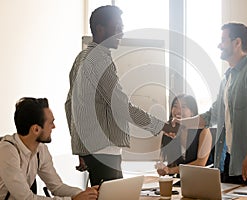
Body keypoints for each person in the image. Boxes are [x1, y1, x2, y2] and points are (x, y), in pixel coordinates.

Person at [65, 5, 177, 186]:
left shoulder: (81, 58)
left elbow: (70, 105)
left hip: (92, 150)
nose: (122, 33)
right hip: (105, 149)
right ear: (101, 29)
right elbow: (122, 106)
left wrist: (80, 149)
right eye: (117, 27)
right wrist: (162, 126)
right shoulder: (99, 59)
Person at [173, 23, 247, 186]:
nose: (219, 45)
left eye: (223, 40)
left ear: (237, 43)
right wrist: (182, 123)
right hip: (232, 163)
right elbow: (212, 116)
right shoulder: (226, 79)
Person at [0, 97, 98, 200]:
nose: (54, 126)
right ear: (36, 129)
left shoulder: (41, 150)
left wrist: (86, 194)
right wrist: (73, 199)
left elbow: (57, 187)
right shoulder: (7, 151)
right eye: (50, 123)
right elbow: (26, 198)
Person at [156, 94, 212, 177]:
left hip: (204, 178)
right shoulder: (170, 130)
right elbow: (172, 163)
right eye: (175, 106)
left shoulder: (203, 130)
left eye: (183, 107)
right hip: (182, 179)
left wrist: (170, 170)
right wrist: (163, 168)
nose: (178, 111)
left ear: (192, 112)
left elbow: (200, 164)